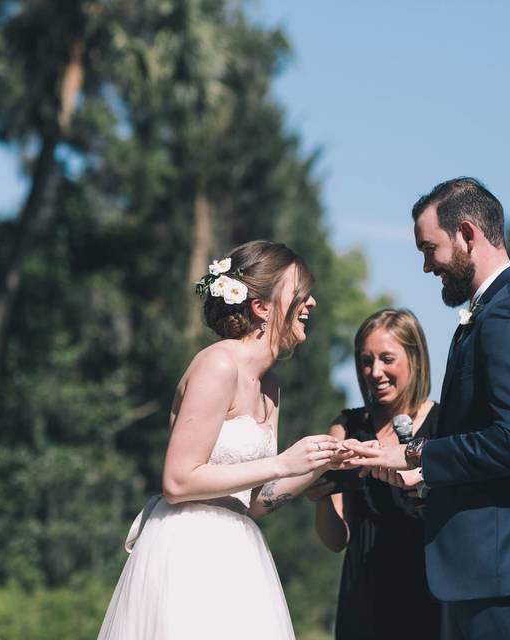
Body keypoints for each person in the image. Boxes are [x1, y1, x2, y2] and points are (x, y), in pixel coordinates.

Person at [344, 178, 510, 640]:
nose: (427, 265)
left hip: (504, 578)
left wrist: (416, 456)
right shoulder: (494, 312)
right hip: (487, 577)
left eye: (430, 249)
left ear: (467, 234)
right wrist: (433, 484)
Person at [97, 240, 348, 640]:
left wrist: (319, 462)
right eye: (300, 291)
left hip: (239, 555)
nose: (312, 302)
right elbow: (178, 481)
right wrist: (283, 462)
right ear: (261, 307)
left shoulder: (270, 387)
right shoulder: (217, 364)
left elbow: (253, 502)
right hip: (189, 551)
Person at [304, 308, 442, 640]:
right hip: (364, 592)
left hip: (429, 587)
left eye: (386, 358)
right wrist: (321, 499)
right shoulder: (346, 428)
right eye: (366, 361)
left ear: (415, 359)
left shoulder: (445, 423)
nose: (375, 371)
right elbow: (336, 540)